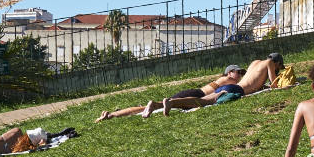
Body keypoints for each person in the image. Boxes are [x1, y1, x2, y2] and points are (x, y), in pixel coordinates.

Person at [96, 65, 249, 121]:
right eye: (239, 72)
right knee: (156, 107)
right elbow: (243, 86)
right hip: (196, 94)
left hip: (192, 92)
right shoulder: (226, 80)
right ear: (229, 73)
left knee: (146, 108)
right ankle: (117, 114)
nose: (241, 75)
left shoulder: (224, 80)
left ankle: (113, 115)